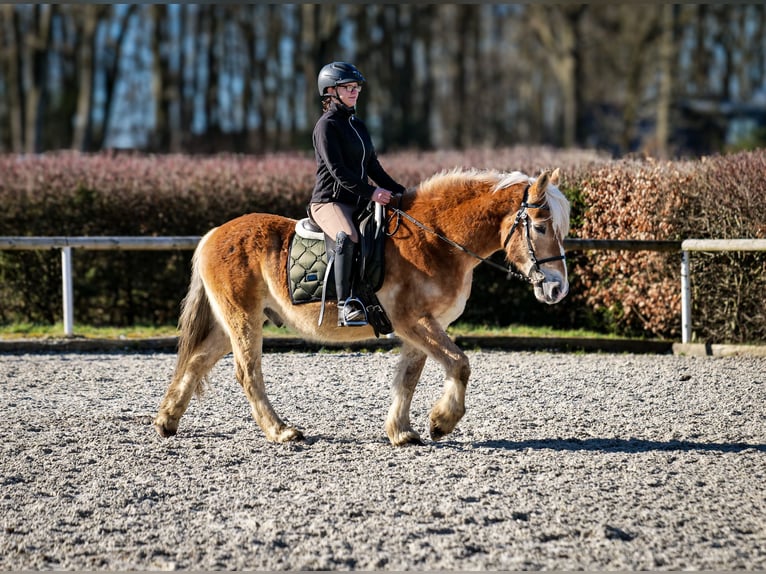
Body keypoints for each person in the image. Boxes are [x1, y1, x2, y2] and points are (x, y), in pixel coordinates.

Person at [309, 61, 407, 327]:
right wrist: (373, 192)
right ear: (330, 91)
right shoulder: (325, 126)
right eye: (348, 87)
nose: (355, 92)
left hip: (358, 200)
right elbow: (338, 171)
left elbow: (373, 166)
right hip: (329, 202)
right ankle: (346, 305)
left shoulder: (358, 126)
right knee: (347, 235)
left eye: (356, 87)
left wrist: (403, 193)